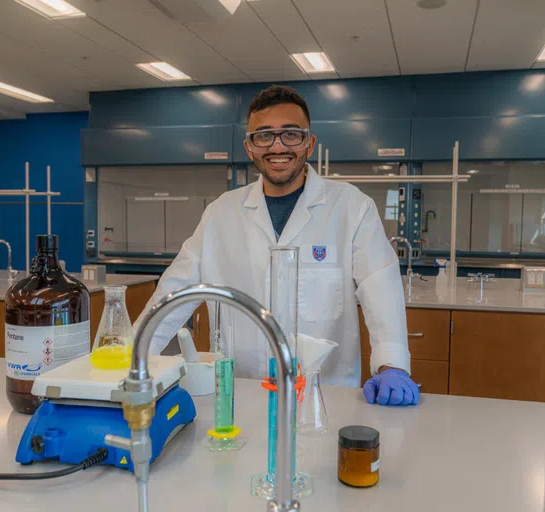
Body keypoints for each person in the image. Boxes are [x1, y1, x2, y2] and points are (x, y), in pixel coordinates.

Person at [134, 85, 419, 406]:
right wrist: (130, 353)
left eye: (291, 134)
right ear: (249, 147)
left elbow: (379, 286)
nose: (278, 146)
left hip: (323, 397)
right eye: (264, 135)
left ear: (309, 143)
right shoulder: (221, 213)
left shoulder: (352, 208)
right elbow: (174, 293)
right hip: (239, 393)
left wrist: (392, 363)